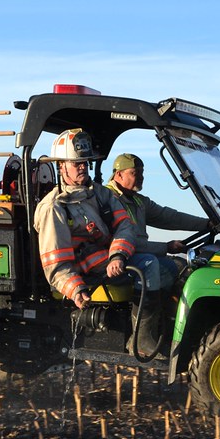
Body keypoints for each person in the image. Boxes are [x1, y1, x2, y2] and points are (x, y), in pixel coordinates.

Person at [33, 129, 164, 357]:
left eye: (85, 162)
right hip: (89, 272)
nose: (82, 167)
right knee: (150, 265)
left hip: (110, 261)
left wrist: (118, 255)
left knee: (171, 267)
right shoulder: (53, 208)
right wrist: (75, 288)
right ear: (61, 166)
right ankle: (141, 340)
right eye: (76, 163)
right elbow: (56, 264)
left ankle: (159, 332)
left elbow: (125, 226)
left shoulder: (99, 193)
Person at [105, 153, 210, 291]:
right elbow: (125, 243)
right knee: (152, 264)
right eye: (135, 173)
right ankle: (146, 305)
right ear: (119, 174)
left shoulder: (138, 201)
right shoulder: (107, 199)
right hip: (116, 259)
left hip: (137, 254)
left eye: (142, 173)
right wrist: (166, 247)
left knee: (180, 265)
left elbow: (170, 217)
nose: (141, 177)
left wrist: (206, 224)